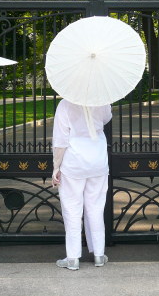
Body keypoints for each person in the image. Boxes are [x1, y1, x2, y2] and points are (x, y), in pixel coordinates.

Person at [51, 99, 112, 270]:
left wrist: (56, 166)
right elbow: (106, 118)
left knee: (71, 209)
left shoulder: (65, 104)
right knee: (96, 208)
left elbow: (61, 140)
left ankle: (72, 258)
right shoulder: (102, 100)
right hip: (98, 160)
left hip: (74, 162)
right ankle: (99, 254)